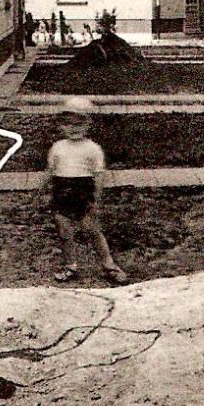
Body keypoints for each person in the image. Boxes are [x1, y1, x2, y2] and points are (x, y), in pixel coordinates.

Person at [46, 98, 129, 285]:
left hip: (83, 192)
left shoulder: (92, 149)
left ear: (88, 124)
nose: (74, 127)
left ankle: (109, 265)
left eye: (80, 123)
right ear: (61, 125)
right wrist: (42, 190)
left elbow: (98, 175)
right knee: (64, 231)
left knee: (91, 230)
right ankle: (70, 265)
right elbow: (50, 171)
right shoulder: (58, 147)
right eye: (69, 123)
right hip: (62, 191)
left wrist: (96, 198)